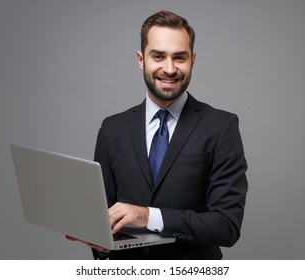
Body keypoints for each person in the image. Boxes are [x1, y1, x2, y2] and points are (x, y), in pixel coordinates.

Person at [69, 10, 248, 260]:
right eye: (158, 56)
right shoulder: (112, 129)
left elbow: (226, 226)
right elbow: (104, 216)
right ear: (141, 59)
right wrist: (96, 240)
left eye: (180, 57)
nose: (170, 68)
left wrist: (147, 216)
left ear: (193, 60)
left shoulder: (221, 126)